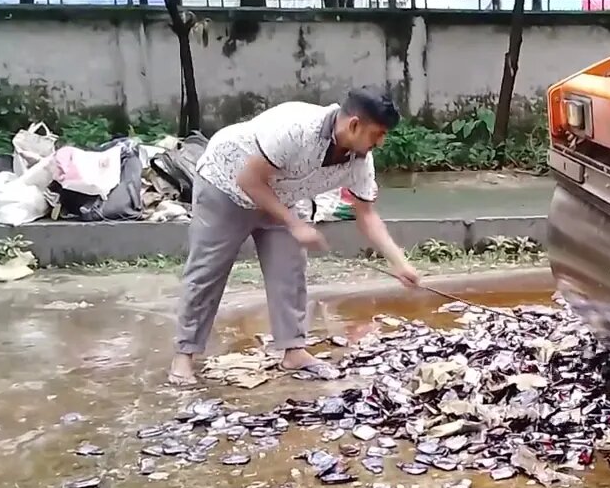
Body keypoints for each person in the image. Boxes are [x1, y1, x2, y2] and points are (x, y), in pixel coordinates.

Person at [168, 88, 421, 386]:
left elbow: (367, 215)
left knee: (289, 269)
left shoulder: (360, 161)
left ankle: (293, 351)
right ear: (353, 125)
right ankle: (184, 356)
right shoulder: (296, 128)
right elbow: (248, 180)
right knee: (208, 270)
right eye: (377, 134)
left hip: (281, 197)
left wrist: (399, 262)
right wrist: (294, 223)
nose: (381, 142)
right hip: (226, 186)